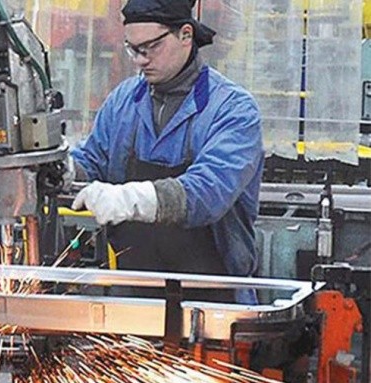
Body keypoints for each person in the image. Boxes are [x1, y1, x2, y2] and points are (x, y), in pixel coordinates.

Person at [70, 0, 263, 303]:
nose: (140, 60)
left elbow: (208, 191)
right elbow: (94, 159)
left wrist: (132, 199)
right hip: (133, 298)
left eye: (150, 47)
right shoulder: (123, 101)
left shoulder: (232, 109)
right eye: (132, 49)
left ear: (186, 35)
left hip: (213, 301)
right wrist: (65, 168)